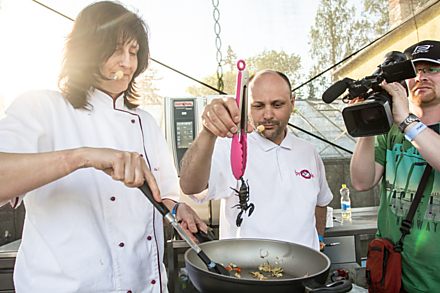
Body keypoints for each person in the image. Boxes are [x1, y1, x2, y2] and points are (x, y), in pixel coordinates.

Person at [0, 1, 206, 292]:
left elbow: (165, 196)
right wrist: (82, 156)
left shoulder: (146, 122)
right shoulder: (41, 107)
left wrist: (179, 208)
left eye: (133, 52)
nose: (127, 62)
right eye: (115, 50)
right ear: (86, 50)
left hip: (144, 284)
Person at [179, 69, 333, 251]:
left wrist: (319, 238)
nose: (268, 115)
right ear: (246, 106)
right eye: (258, 106)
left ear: (292, 103)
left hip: (304, 274)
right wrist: (207, 132)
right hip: (248, 273)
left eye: (277, 105)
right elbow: (190, 186)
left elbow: (321, 202)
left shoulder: (308, 151)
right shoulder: (231, 147)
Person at [350, 40, 440, 292]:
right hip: (393, 275)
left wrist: (408, 122)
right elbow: (361, 182)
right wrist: (369, 121)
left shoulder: (406, 124)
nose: (421, 77)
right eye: (414, 71)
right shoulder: (392, 131)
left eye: (432, 69)